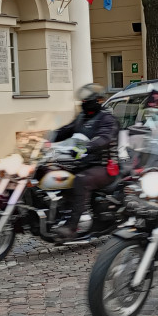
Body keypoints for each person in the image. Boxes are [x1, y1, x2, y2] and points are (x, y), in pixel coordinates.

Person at [49, 83, 120, 240]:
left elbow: (104, 138)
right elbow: (66, 130)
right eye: (82, 100)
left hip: (104, 166)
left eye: (86, 100)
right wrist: (48, 138)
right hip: (83, 163)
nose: (83, 103)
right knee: (58, 174)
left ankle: (72, 227)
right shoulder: (82, 117)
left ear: (97, 101)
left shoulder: (107, 119)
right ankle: (61, 213)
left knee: (81, 180)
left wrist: (86, 147)